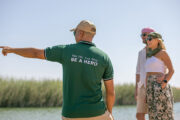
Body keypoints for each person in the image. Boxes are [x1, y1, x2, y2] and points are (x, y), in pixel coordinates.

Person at [0, 20, 115, 120]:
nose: (74, 35)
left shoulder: (65, 51)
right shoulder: (104, 57)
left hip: (71, 115)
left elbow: (35, 53)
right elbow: (110, 92)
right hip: (98, 114)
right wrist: (109, 113)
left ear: (80, 33)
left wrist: (12, 50)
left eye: (74, 32)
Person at [145, 32, 174, 120]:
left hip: (159, 85)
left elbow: (171, 70)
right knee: (153, 115)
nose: (148, 41)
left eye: (150, 39)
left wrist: (164, 81)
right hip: (150, 88)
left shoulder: (163, 53)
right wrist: (146, 92)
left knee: (163, 115)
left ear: (158, 40)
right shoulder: (149, 55)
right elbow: (147, 74)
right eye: (147, 39)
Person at [135, 28, 155, 120]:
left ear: (151, 35)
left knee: (153, 114)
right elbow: (138, 72)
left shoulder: (157, 51)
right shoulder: (140, 53)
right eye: (141, 35)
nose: (142, 37)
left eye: (144, 34)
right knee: (139, 114)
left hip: (154, 86)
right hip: (142, 87)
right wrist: (136, 90)